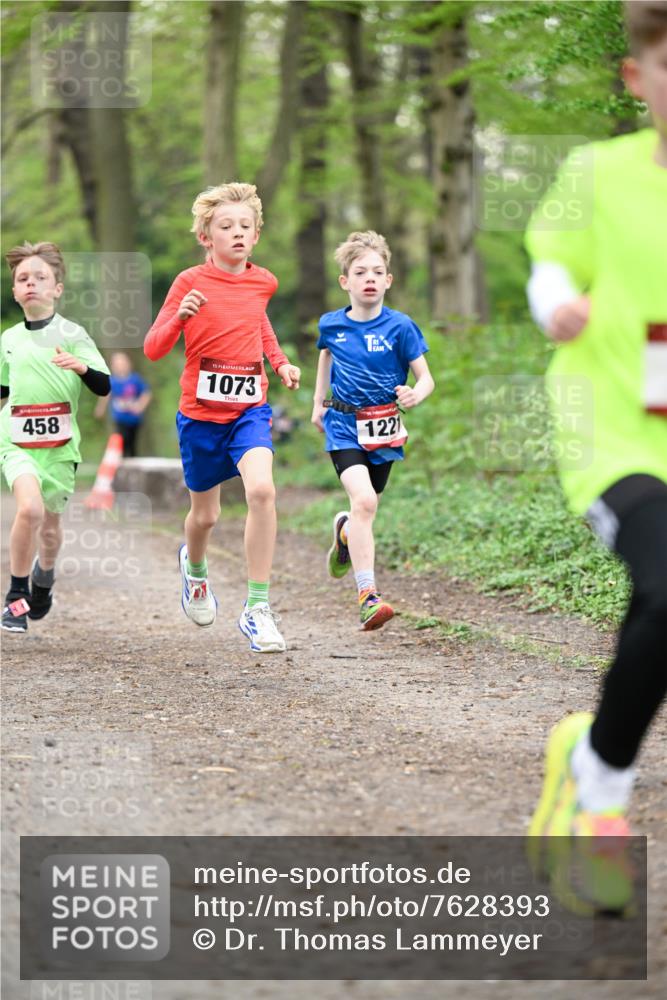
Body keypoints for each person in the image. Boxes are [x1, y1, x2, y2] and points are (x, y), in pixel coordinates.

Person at [525, 0, 667, 908]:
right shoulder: (596, 172)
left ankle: (585, 753)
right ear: (637, 78)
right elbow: (549, 263)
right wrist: (552, 304)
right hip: (609, 429)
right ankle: (599, 793)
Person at [144, 182, 300, 653]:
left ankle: (256, 608)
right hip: (200, 416)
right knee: (205, 516)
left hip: (249, 410)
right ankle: (194, 571)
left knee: (262, 489)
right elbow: (153, 349)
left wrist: (280, 362)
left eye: (245, 226)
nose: (236, 233)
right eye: (225, 226)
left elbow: (258, 321)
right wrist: (179, 318)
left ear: (256, 236)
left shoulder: (264, 281)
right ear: (205, 237)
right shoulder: (189, 283)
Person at [311, 231, 434, 630]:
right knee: (364, 502)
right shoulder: (331, 324)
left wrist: (416, 394)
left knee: (365, 507)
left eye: (377, 272)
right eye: (360, 271)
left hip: (384, 430)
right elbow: (325, 357)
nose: (369, 278)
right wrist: (318, 403)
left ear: (388, 281)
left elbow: (426, 379)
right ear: (345, 281)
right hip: (344, 425)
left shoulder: (401, 327)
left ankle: (345, 531)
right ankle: (368, 596)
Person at [1, 241, 110, 633]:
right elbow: (2, 391)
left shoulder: (74, 334)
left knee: (49, 528)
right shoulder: (8, 339)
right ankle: (15, 597)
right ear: (14, 291)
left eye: (40, 277)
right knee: (27, 510)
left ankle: (43, 578)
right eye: (22, 279)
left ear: (57, 289)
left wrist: (80, 367)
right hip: (15, 442)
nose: (31, 284)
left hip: (60, 448)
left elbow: (103, 385)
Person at [94, 351, 151, 457]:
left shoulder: (135, 379)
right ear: (113, 366)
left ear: (129, 364)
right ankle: (122, 461)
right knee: (121, 440)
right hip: (120, 418)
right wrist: (100, 408)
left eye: (123, 364)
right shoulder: (112, 381)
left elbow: (146, 393)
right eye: (117, 365)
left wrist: (140, 406)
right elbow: (105, 395)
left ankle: (133, 462)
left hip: (134, 419)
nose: (121, 367)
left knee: (132, 442)